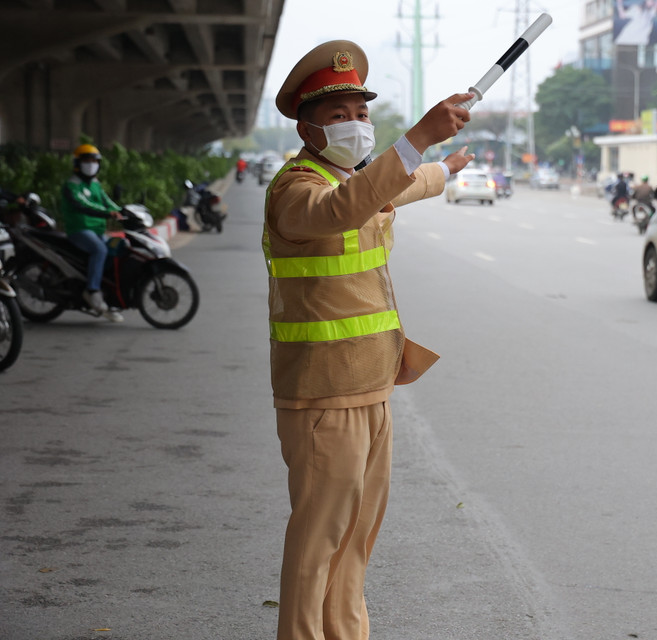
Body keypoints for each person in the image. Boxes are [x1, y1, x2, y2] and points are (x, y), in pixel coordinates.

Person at [263, 40, 475, 640]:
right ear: (307, 128)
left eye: (361, 113)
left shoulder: (345, 178)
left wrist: (440, 170)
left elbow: (385, 192)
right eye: (338, 116)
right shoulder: (297, 192)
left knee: (356, 536)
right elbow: (346, 208)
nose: (355, 124)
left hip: (372, 382)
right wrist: (416, 140)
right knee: (319, 536)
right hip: (323, 394)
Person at [61, 143, 124, 322]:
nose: (91, 164)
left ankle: (107, 292)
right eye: (86, 161)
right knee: (100, 250)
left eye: (94, 161)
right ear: (77, 163)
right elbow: (84, 205)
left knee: (115, 249)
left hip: (97, 230)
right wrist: (108, 213)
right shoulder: (71, 186)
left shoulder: (95, 184)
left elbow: (107, 202)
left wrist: (123, 211)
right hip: (79, 230)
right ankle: (92, 291)